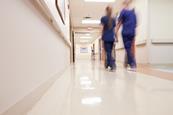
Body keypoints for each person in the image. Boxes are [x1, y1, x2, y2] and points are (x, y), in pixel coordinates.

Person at [116, 0, 137, 71]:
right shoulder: (133, 13)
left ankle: (132, 65)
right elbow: (136, 24)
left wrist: (116, 32)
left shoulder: (123, 11)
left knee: (128, 49)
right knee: (130, 49)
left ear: (124, 4)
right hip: (132, 32)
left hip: (126, 33)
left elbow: (119, 23)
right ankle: (131, 63)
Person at [101, 6, 116, 71]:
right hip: (112, 38)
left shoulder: (103, 18)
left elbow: (102, 28)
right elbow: (114, 30)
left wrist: (102, 37)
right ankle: (109, 65)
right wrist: (116, 37)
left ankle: (112, 65)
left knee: (108, 52)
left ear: (106, 11)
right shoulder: (113, 19)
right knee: (110, 52)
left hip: (106, 38)